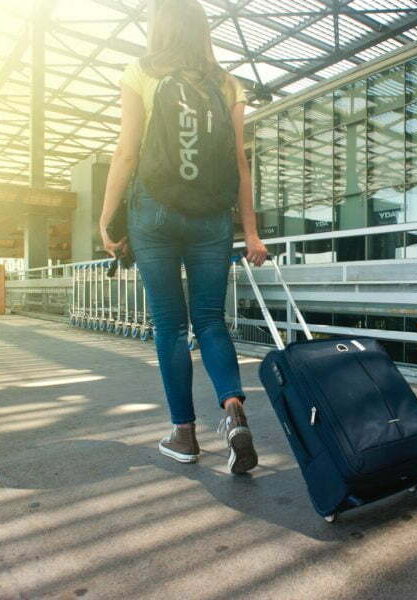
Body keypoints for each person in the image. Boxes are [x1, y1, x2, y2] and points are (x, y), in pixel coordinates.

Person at [98, 0, 266, 473]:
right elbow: (239, 163)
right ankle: (234, 413)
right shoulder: (227, 83)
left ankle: (184, 434)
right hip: (212, 218)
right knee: (211, 321)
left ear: (159, 26)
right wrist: (250, 232)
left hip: (154, 213)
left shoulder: (141, 72)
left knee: (170, 325)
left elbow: (126, 152)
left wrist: (108, 217)